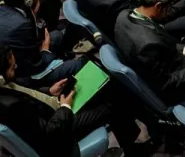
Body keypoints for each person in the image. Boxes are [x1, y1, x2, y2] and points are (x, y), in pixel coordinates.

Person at [0, 43, 150, 157]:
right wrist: (65, 107)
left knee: (103, 88)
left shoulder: (5, 86)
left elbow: (25, 93)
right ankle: (135, 149)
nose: (16, 66)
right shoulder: (12, 105)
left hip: (51, 110)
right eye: (12, 67)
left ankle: (133, 138)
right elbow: (50, 134)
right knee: (111, 103)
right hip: (59, 134)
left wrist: (49, 91)